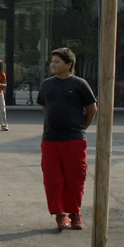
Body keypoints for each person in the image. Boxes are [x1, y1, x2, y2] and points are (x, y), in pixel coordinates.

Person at [37, 48, 96, 232]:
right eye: (52, 61)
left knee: (75, 178)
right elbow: (46, 108)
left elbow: (92, 109)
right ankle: (60, 215)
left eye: (57, 62)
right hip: (50, 139)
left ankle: (75, 214)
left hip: (75, 140)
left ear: (69, 65)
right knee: (53, 179)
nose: (52, 65)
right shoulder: (47, 85)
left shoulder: (80, 85)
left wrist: (80, 129)